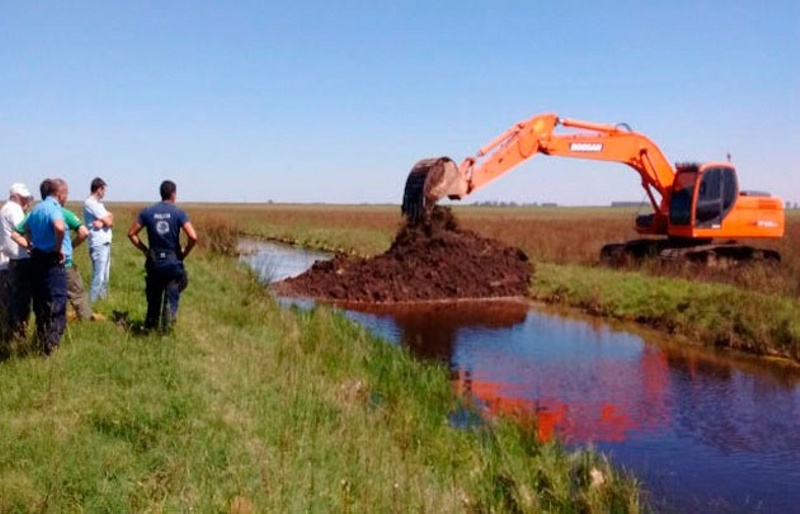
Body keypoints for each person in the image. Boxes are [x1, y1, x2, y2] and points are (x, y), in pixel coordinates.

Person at [14, 179, 101, 322]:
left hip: (39, 263)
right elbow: (84, 232)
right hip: (62, 263)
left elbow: (16, 233)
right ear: (58, 194)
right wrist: (70, 246)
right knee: (77, 295)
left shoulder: (34, 212)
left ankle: (46, 325)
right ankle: (85, 321)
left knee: (44, 299)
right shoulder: (62, 212)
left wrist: (30, 246)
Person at [127, 180, 197, 332]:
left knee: (153, 299)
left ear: (161, 193)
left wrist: (145, 250)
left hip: (154, 262)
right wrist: (184, 252)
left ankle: (150, 328)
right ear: (173, 194)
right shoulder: (179, 213)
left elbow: (131, 234)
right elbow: (193, 237)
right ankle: (167, 329)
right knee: (172, 296)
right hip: (173, 263)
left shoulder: (148, 212)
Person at [19, 178, 67, 355]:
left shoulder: (36, 209)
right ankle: (51, 347)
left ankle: (40, 340)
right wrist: (57, 248)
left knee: (40, 304)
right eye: (66, 194)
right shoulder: (54, 208)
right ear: (60, 193)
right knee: (56, 302)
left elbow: (24, 228)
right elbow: (60, 227)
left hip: (36, 259)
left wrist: (31, 243)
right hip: (50, 261)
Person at [0, 183, 34, 341]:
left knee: (10, 299)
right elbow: (24, 228)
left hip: (10, 260)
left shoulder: (6, 208)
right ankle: (18, 333)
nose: (25, 200)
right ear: (15, 196)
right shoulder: (14, 209)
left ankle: (12, 331)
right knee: (20, 300)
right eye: (23, 197)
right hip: (19, 259)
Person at [83, 177, 113, 303]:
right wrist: (106, 221)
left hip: (105, 242)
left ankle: (102, 301)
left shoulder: (99, 204)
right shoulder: (91, 203)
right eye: (103, 190)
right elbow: (109, 221)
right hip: (98, 243)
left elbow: (111, 217)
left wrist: (102, 221)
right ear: (99, 189)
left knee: (105, 276)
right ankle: (92, 302)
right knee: (99, 276)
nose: (104, 192)